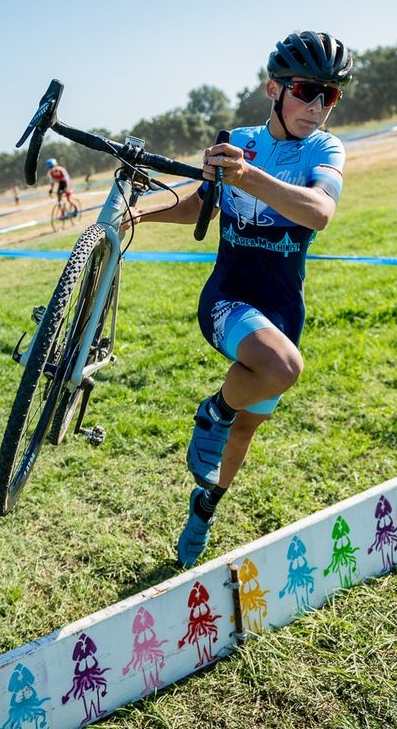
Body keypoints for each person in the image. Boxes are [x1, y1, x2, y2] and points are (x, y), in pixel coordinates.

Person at [126, 30, 353, 566]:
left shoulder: (325, 149)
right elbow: (201, 204)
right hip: (228, 299)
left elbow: (318, 212)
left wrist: (247, 176)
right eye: (305, 90)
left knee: (247, 426)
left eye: (331, 95)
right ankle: (214, 410)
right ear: (273, 88)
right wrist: (141, 213)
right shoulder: (240, 139)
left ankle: (203, 506)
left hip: (280, 310)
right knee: (282, 366)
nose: (317, 107)